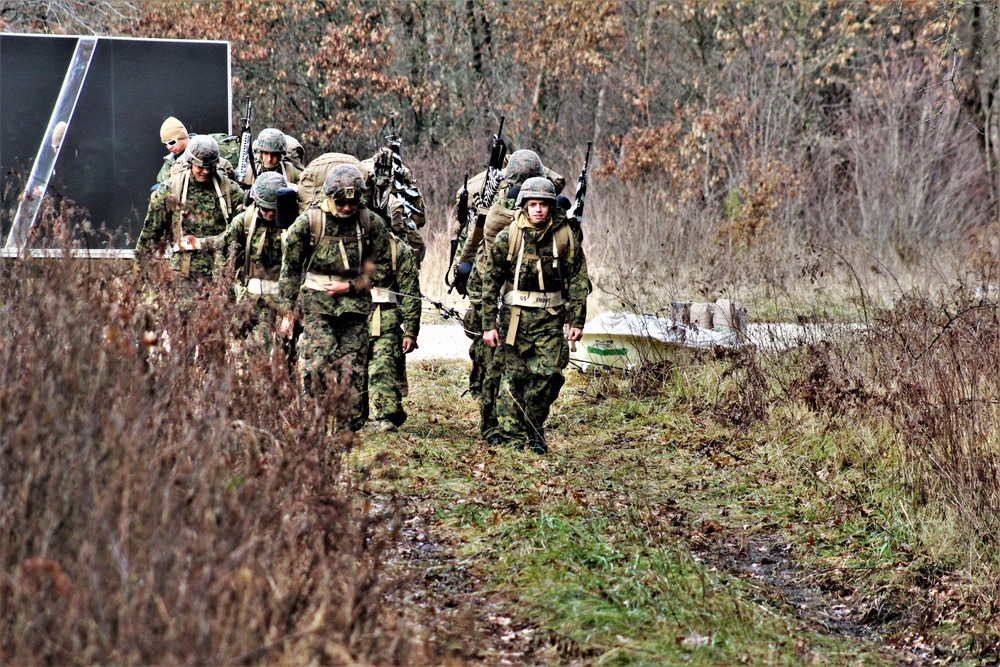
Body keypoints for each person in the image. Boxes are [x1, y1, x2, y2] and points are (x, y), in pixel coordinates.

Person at [278, 163, 393, 431]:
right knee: (318, 362)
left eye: (353, 204)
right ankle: (314, 420)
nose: (347, 209)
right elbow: (290, 270)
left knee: (351, 369)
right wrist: (287, 313)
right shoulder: (309, 223)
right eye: (342, 203)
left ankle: (347, 429)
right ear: (330, 197)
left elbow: (385, 268)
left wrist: (352, 286)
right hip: (317, 306)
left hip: (354, 308)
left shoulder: (371, 223)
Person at [481, 177, 589, 454]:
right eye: (532, 204)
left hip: (550, 319)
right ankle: (512, 439)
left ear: (550, 206)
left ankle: (532, 425)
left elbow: (578, 280)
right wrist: (488, 325)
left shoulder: (565, 236)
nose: (537, 210)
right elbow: (490, 282)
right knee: (511, 379)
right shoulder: (509, 236)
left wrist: (577, 320)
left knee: (549, 377)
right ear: (524, 206)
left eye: (543, 204)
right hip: (513, 320)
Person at [460, 149, 553, 444]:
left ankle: (509, 425)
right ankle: (492, 428)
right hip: (495, 289)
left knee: (504, 366)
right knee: (492, 362)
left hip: (513, 293)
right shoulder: (500, 211)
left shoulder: (537, 203)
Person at [178, 171, 289, 346]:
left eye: (273, 209)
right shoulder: (244, 221)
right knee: (245, 345)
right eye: (265, 208)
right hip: (252, 295)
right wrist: (199, 243)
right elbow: (224, 244)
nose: (269, 213)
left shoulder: (294, 224)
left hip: (285, 295)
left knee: (287, 349)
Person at [135, 135, 244, 281]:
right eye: (200, 167)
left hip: (221, 274)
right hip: (184, 275)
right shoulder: (170, 190)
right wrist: (138, 274)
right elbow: (150, 236)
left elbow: (244, 231)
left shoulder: (230, 190)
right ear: (190, 162)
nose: (205, 172)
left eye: (210, 167)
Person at [365, 232, 421, 432]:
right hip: (349, 314)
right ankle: (353, 416)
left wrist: (410, 332)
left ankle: (386, 415)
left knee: (384, 364)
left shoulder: (398, 250)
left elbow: (410, 293)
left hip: (386, 316)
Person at [155, 116, 191, 184]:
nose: (169, 147)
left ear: (182, 137)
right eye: (165, 144)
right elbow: (161, 183)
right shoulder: (171, 160)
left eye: (171, 142)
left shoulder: (203, 150)